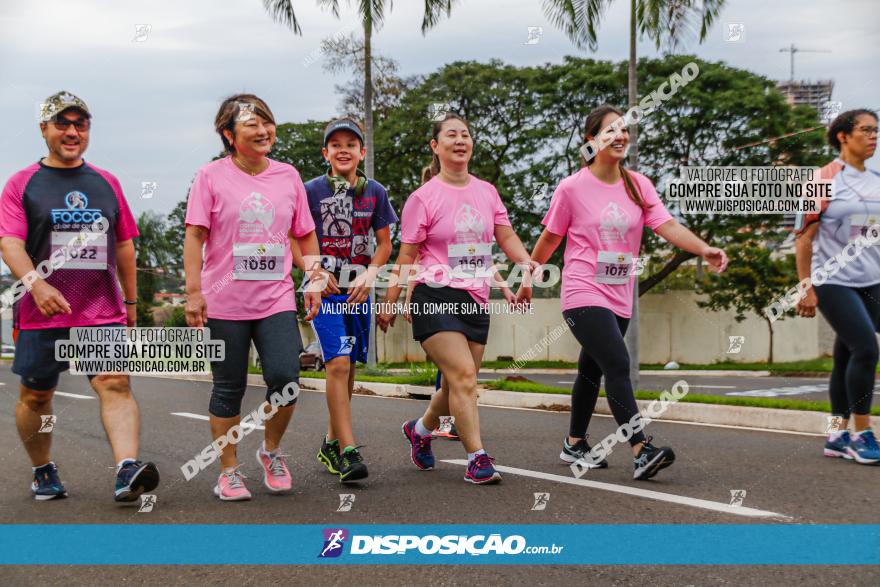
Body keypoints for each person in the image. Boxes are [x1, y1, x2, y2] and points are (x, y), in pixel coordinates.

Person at [529, 105, 728, 480]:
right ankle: (641, 449)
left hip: (620, 293)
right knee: (617, 363)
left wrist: (703, 248)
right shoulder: (572, 187)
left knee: (591, 371)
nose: (621, 136)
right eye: (611, 131)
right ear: (591, 140)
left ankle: (574, 443)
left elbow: (666, 224)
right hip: (582, 289)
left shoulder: (638, 185)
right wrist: (528, 276)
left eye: (625, 130)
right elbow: (551, 237)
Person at [0, 91, 159, 502]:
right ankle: (43, 469)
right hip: (39, 312)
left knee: (114, 382)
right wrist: (37, 283)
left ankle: (127, 469)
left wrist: (130, 304)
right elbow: (10, 244)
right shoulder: (22, 184)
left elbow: (124, 245)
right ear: (44, 129)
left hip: (99, 310)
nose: (72, 132)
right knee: (37, 394)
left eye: (80, 124)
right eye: (62, 123)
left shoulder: (107, 182)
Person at [377, 113, 534, 485]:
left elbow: (504, 237)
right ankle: (477, 458)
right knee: (464, 377)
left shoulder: (487, 191)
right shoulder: (423, 197)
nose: (460, 140)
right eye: (451, 135)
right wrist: (391, 299)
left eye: (465, 134)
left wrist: (526, 263)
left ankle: (419, 430)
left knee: (452, 388)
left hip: (475, 300)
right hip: (435, 295)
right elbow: (406, 255)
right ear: (436, 146)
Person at [184, 94, 323, 501]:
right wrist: (194, 293)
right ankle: (228, 471)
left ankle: (271, 451)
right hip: (223, 301)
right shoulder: (210, 177)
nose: (264, 131)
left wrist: (313, 275)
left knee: (286, 379)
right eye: (252, 124)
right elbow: (195, 236)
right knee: (229, 386)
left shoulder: (287, 175)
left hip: (274, 297)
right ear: (229, 134)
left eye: (267, 122)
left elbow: (304, 232)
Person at [303, 117, 398, 483]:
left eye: (351, 144)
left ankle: (330, 441)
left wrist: (371, 273)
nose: (343, 150)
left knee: (350, 368)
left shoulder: (375, 191)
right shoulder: (310, 191)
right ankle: (348, 450)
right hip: (323, 292)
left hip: (357, 291)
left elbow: (386, 243)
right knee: (337, 364)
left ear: (362, 151)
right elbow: (296, 237)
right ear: (325, 152)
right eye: (336, 144)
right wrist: (315, 272)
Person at [795, 108, 880, 464]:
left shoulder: (877, 178)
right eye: (866, 130)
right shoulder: (823, 179)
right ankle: (862, 433)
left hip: (872, 278)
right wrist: (805, 287)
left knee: (846, 353)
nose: (873, 136)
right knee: (866, 348)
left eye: (876, 131)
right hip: (832, 279)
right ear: (843, 136)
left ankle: (835, 432)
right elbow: (803, 238)